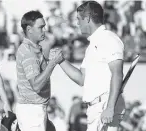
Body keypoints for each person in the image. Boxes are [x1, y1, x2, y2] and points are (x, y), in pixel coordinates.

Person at [58, 1, 126, 131]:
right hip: (95, 109)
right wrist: (60, 61)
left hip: (105, 107)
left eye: (79, 19)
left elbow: (117, 73)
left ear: (88, 18)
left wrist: (110, 107)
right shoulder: (91, 45)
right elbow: (81, 79)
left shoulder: (109, 39)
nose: (77, 23)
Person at [15, 10, 64, 131]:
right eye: (41, 27)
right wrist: (52, 63)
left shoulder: (33, 49)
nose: (44, 30)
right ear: (29, 29)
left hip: (35, 109)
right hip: (32, 110)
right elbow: (36, 85)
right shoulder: (28, 53)